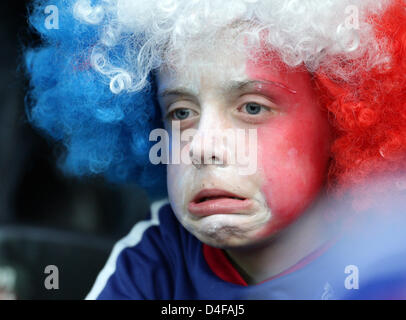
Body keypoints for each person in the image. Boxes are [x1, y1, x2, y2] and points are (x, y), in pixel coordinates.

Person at [24, 0, 406, 299]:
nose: (203, 147)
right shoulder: (156, 260)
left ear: (340, 119)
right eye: (181, 113)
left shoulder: (385, 267)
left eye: (252, 107)